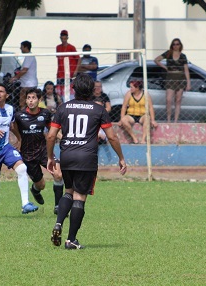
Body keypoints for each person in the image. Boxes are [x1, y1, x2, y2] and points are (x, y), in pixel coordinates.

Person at [47, 73, 127, 250]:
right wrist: (121, 158)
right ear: (91, 90)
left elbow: (51, 135)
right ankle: (71, 240)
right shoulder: (99, 110)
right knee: (80, 197)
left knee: (68, 191)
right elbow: (112, 137)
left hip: (67, 156)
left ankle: (59, 222)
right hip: (87, 158)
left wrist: (50, 157)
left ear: (73, 88)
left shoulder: (63, 108)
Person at [0, 83, 38, 218]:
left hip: (5, 147)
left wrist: (19, 139)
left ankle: (25, 204)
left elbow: (12, 125)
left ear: (7, 95)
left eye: (1, 91)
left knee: (22, 168)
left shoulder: (10, 109)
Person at [12, 88, 64, 215]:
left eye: (33, 98)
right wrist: (19, 139)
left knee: (58, 175)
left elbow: (52, 129)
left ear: (39, 100)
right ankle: (35, 190)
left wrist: (64, 139)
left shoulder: (45, 114)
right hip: (28, 155)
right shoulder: (19, 115)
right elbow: (12, 127)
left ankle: (58, 206)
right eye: (28, 98)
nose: (30, 101)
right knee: (41, 185)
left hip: (44, 151)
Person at [154, 38, 191, 122]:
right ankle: (168, 120)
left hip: (180, 78)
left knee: (178, 100)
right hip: (170, 77)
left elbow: (186, 70)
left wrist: (188, 83)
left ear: (180, 45)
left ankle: (175, 121)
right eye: (174, 44)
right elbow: (156, 60)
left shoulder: (183, 56)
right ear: (172, 45)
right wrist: (165, 67)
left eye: (177, 44)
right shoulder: (168, 53)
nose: (176, 46)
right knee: (168, 99)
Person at [11, 40, 38, 110]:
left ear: (26, 47)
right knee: (23, 102)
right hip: (26, 83)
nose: (20, 48)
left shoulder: (29, 56)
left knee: (24, 102)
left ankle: (24, 114)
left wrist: (15, 78)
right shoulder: (28, 57)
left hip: (28, 84)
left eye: (21, 47)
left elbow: (24, 70)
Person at [56, 30, 80, 99]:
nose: (63, 39)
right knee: (60, 93)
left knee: (70, 92)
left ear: (67, 38)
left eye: (65, 37)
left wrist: (76, 71)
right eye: (62, 37)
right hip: (60, 74)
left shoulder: (71, 47)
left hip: (70, 74)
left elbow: (78, 59)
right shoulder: (58, 47)